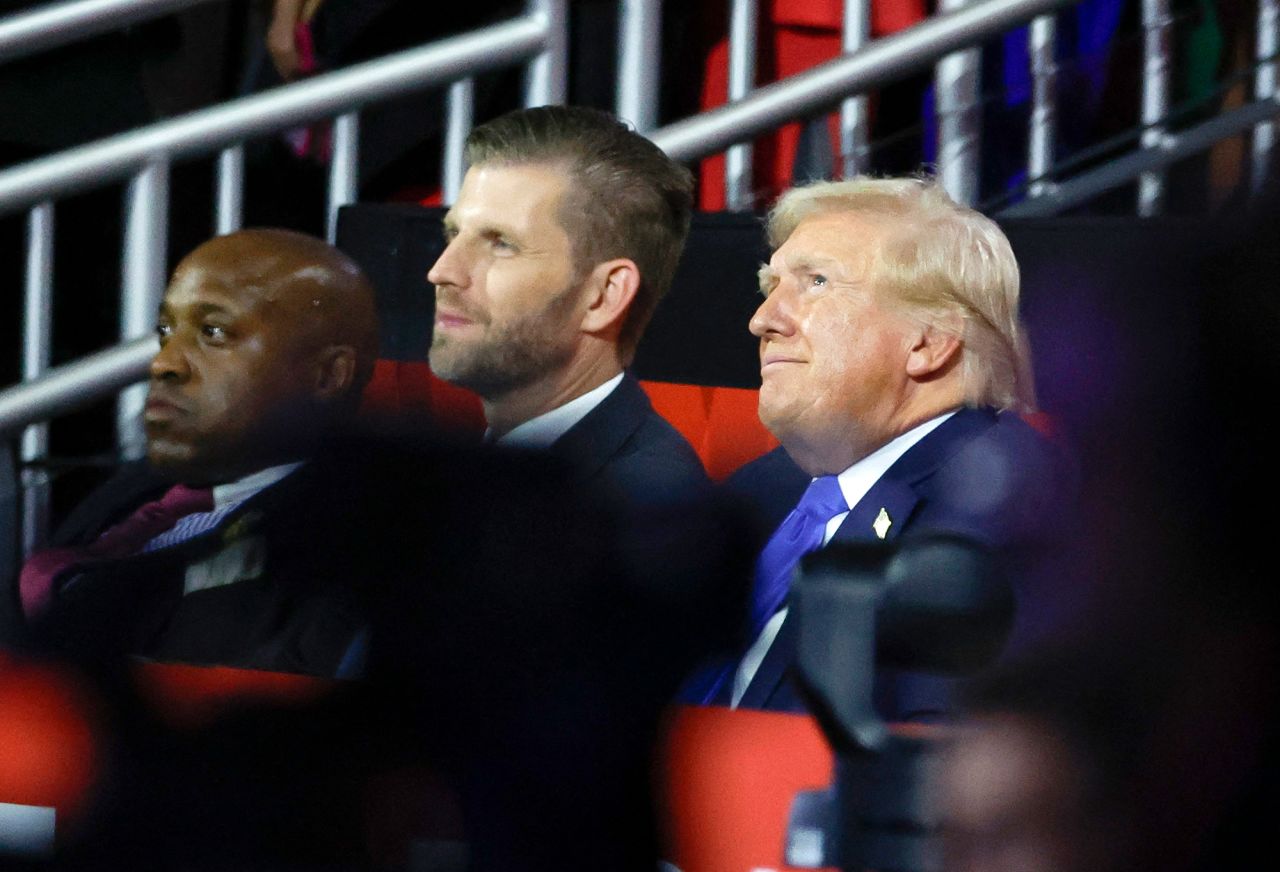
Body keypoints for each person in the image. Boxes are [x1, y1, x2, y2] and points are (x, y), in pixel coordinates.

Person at [698, 176, 1072, 713]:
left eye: (817, 282)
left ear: (930, 340)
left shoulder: (1000, 522)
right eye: (770, 286)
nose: (763, 320)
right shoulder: (760, 487)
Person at [19, 228, 380, 675]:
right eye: (166, 331)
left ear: (327, 375)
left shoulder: (338, 563)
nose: (164, 362)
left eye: (213, 332)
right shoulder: (136, 491)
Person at [427, 105, 707, 503]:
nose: (442, 271)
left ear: (604, 296)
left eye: (502, 244)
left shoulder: (642, 505)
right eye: (453, 234)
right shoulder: (455, 470)